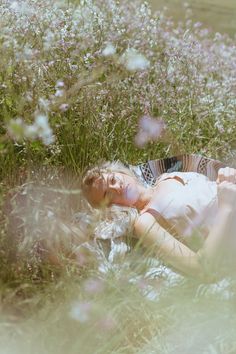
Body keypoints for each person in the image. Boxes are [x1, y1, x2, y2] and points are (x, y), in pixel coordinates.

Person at [82, 161, 236, 282]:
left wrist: (227, 176)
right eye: (108, 195)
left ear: (120, 172)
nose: (117, 187)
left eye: (113, 179)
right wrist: (227, 207)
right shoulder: (144, 223)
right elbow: (201, 269)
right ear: (110, 208)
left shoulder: (167, 177)